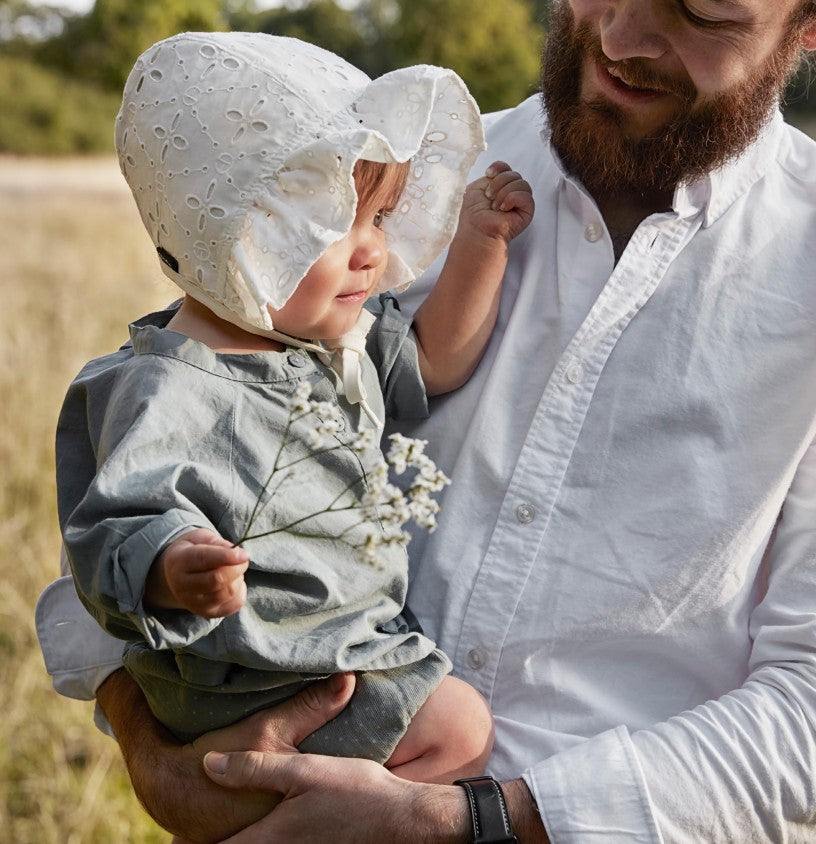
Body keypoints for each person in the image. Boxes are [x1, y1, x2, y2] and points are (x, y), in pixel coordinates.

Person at [35, 0, 816, 841]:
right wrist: (155, 750)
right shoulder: (367, 176)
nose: (618, 38)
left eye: (704, 9)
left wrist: (473, 820)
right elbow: (160, 458)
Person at [53, 30, 534, 792]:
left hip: (316, 655)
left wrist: (482, 244)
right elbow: (115, 523)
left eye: (379, 219)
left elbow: (437, 360)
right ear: (232, 238)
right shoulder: (169, 386)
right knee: (459, 730)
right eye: (334, 227)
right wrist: (175, 570)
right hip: (250, 672)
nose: (372, 252)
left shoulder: (327, 342)